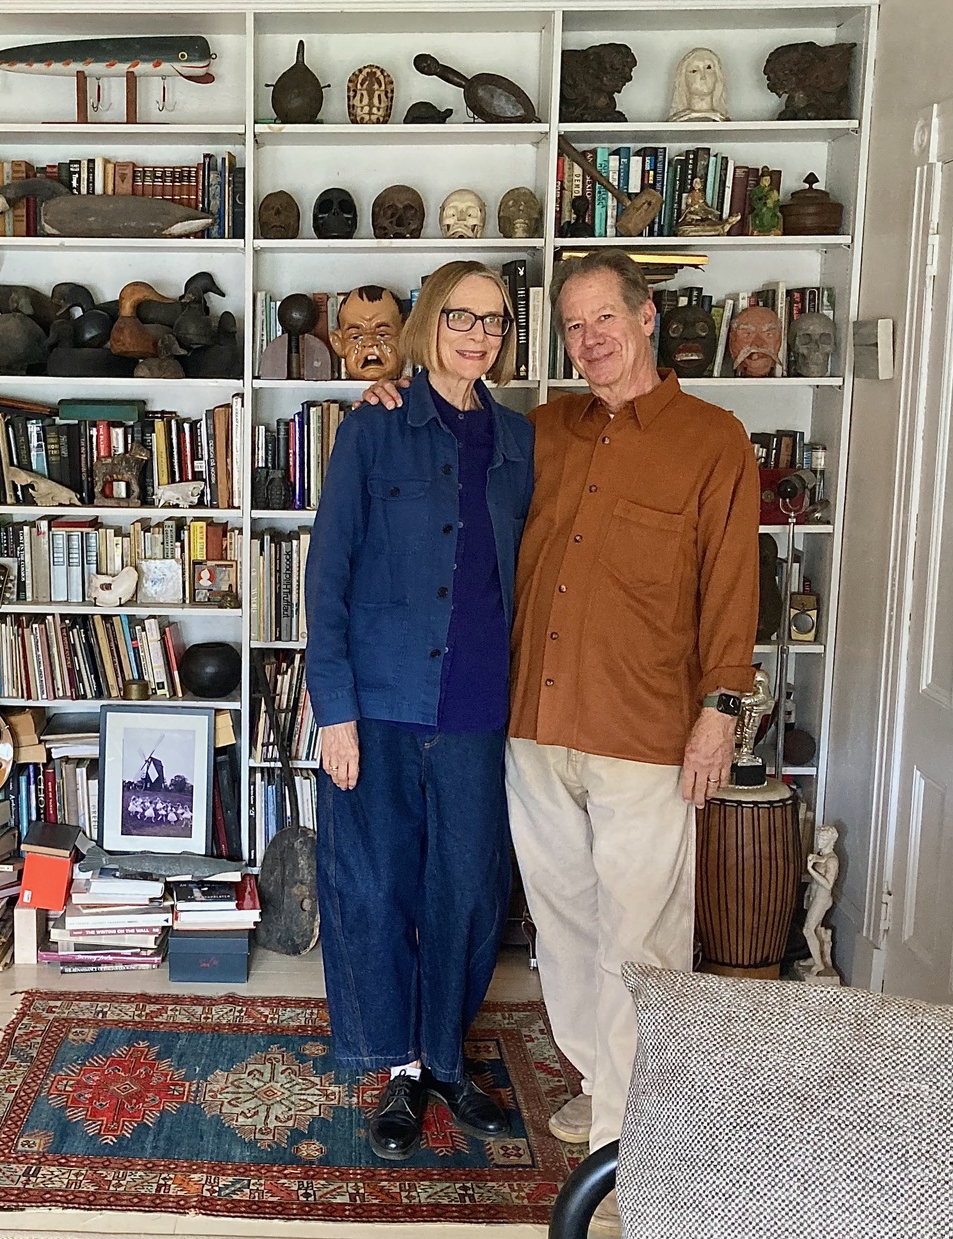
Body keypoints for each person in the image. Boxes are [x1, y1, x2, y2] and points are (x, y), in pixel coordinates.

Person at [360, 250, 757, 1233]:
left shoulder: (714, 440)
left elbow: (731, 588)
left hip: (645, 733)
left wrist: (720, 709)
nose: (589, 343)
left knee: (644, 946)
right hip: (533, 728)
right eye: (573, 329)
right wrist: (394, 394)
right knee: (565, 931)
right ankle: (600, 1082)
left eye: (603, 322)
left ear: (648, 317)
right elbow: (439, 454)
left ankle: (627, 1144)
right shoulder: (539, 432)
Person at [305, 260, 535, 1161]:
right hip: (383, 701)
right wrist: (335, 709)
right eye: (461, 318)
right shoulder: (373, 429)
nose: (477, 335)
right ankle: (399, 1067)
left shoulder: (522, 440)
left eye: (495, 321)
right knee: (375, 884)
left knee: (468, 890)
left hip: (479, 703)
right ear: (429, 323)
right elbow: (328, 575)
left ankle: (446, 1056)